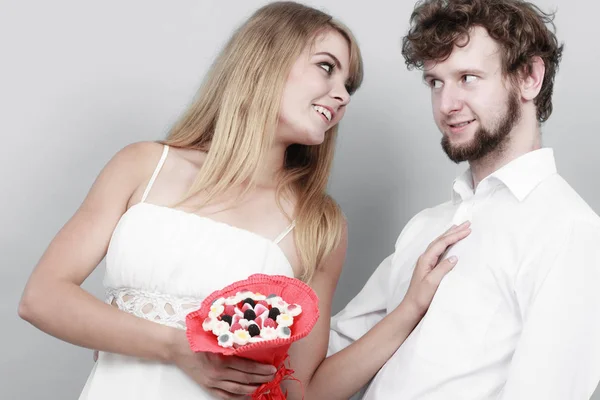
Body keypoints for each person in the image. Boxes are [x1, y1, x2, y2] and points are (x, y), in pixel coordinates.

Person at [19, 2, 470, 399]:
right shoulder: (142, 166)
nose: (342, 95)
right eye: (327, 67)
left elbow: (302, 392)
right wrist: (177, 347)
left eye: (349, 85)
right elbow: (41, 297)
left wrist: (408, 310)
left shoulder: (317, 225)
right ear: (265, 59)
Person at [329, 0, 600, 399]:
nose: (446, 105)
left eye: (468, 77)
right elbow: (330, 356)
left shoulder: (571, 232)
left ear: (529, 77)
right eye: (435, 82)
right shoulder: (425, 226)